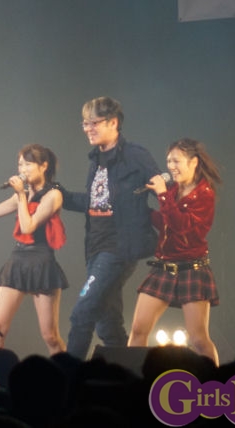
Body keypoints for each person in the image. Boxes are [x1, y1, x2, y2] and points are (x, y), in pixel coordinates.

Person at [61, 96, 159, 360]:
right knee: (108, 324)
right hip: (95, 250)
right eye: (85, 123)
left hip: (118, 250)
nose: (88, 129)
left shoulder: (135, 155)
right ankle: (130, 374)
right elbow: (95, 202)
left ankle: (67, 375)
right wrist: (59, 194)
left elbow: (163, 191)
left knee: (82, 313)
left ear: (113, 122)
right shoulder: (96, 160)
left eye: (94, 122)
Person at [0, 144, 68, 354]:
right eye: (20, 165)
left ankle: (66, 369)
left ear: (44, 166)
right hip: (18, 260)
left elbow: (28, 226)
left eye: (28, 164)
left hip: (41, 261)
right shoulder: (23, 194)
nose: (22, 169)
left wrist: (21, 195)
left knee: (50, 336)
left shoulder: (53, 195)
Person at [128, 138, 221, 365]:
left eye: (176, 161)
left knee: (198, 339)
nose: (171, 166)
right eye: (168, 161)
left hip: (192, 269)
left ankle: (214, 380)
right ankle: (133, 379)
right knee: (138, 329)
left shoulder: (205, 194)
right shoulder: (173, 189)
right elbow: (165, 223)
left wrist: (162, 195)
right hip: (164, 266)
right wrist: (142, 211)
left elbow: (181, 226)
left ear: (194, 162)